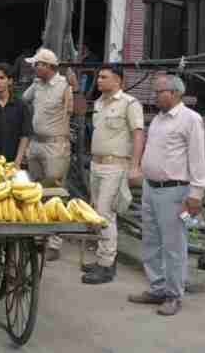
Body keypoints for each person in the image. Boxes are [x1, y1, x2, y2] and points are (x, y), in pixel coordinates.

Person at [130, 75, 205, 317]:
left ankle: (174, 295)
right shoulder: (159, 120)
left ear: (174, 93)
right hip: (151, 189)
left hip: (175, 191)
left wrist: (196, 193)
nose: (155, 95)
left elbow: (197, 158)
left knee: (174, 246)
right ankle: (157, 288)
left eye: (159, 91)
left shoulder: (191, 120)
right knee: (151, 241)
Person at [81, 64, 144, 285]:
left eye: (104, 77)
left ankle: (106, 265)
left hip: (115, 166)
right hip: (97, 164)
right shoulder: (98, 103)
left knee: (106, 213)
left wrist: (135, 166)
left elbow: (138, 135)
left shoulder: (130, 103)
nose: (99, 80)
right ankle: (103, 259)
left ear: (118, 80)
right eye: (98, 76)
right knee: (98, 213)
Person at [22, 48, 76, 261]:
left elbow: (76, 109)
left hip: (56, 146)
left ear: (48, 67)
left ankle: (54, 242)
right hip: (35, 143)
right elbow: (22, 101)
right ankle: (37, 235)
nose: (34, 68)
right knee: (35, 191)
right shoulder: (36, 85)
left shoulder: (65, 86)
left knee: (55, 192)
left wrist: (76, 89)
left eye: (37, 65)